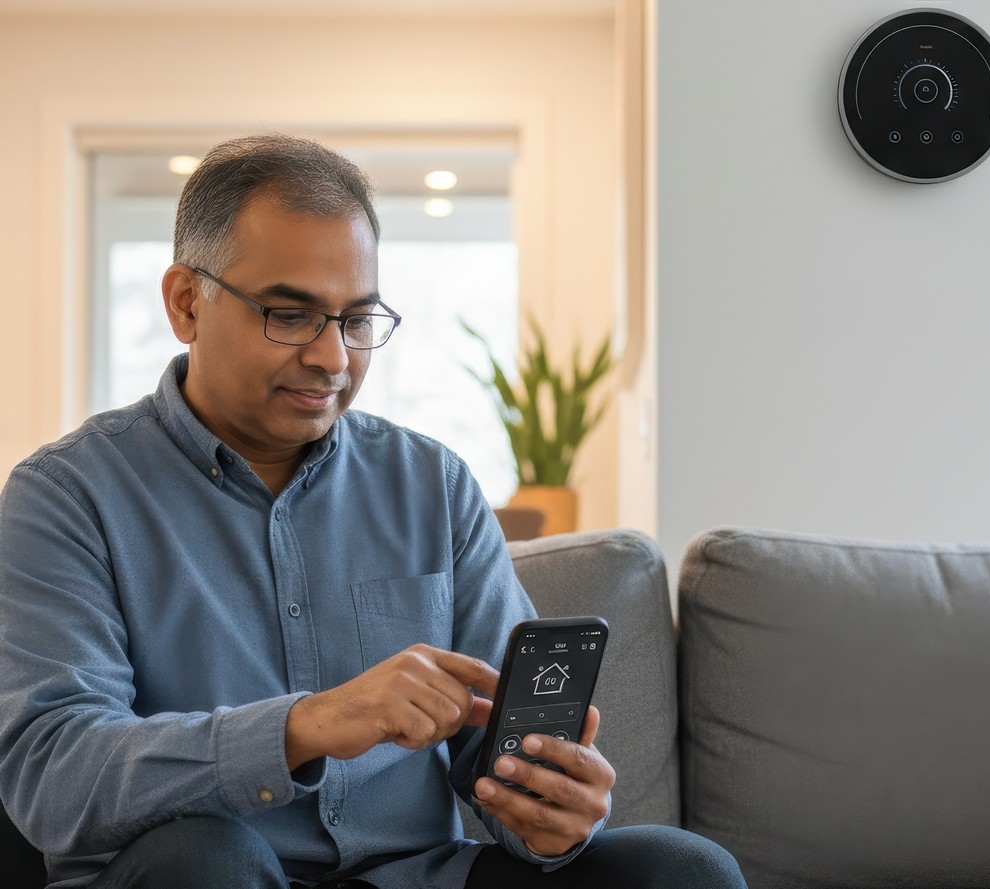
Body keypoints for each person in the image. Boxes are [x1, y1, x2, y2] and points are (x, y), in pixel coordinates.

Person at [0, 134, 746, 889]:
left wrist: (550, 812)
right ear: (186, 302)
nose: (333, 359)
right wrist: (303, 726)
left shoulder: (433, 484)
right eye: (290, 314)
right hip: (201, 874)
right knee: (206, 861)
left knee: (687, 870)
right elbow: (53, 774)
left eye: (356, 320)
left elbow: (498, 742)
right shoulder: (66, 497)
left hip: (418, 875)